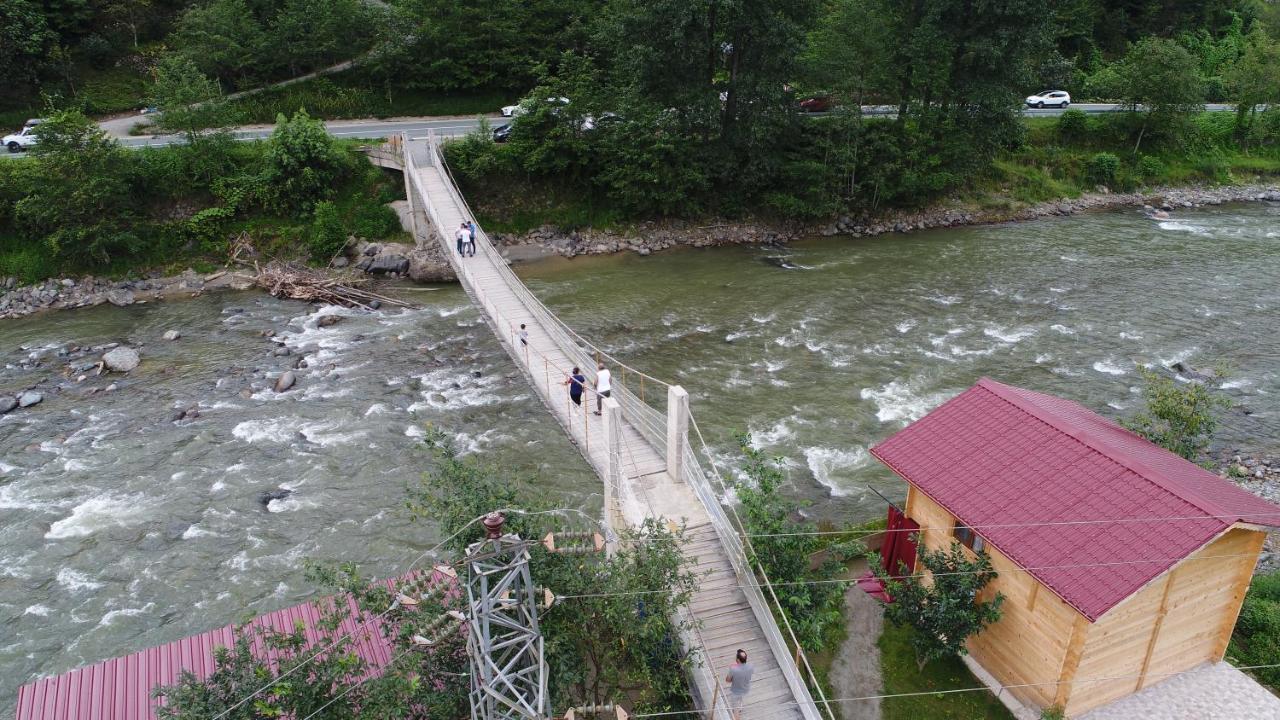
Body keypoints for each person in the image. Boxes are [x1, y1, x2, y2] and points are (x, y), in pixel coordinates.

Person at [725, 649, 753, 719]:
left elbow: (727, 680)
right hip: (746, 689)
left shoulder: (733, 669)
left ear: (737, 659)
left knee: (735, 709)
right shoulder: (751, 666)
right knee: (741, 698)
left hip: (736, 691)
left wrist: (732, 669)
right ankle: (740, 706)